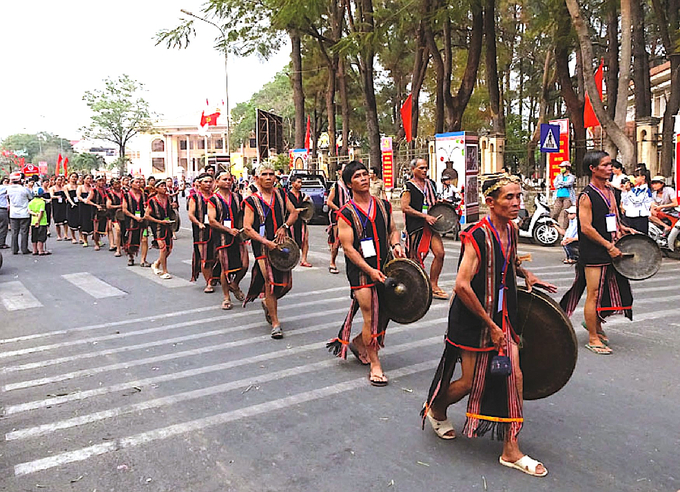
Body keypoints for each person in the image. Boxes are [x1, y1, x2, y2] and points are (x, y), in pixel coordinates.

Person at [421, 174, 556, 477]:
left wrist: (526, 275)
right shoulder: (476, 236)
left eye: (519, 197)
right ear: (490, 201)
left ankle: (511, 449)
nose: (516, 203)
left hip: (502, 316)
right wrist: (489, 325)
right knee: (468, 382)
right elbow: (462, 286)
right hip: (472, 318)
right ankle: (437, 408)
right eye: (509, 198)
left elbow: (509, 261)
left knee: (514, 376)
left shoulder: (512, 229)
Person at [327, 161, 406, 386]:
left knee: (386, 313)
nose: (364, 178)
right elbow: (349, 248)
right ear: (349, 183)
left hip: (385, 267)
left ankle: (359, 343)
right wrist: (369, 270)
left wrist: (397, 244)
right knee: (370, 316)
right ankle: (375, 364)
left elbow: (393, 230)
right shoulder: (346, 213)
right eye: (358, 176)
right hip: (361, 271)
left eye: (365, 174)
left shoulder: (384, 205)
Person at [560, 151, 637, 355]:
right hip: (594, 252)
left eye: (610, 164)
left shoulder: (611, 191)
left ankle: (595, 324)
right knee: (593, 293)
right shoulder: (587, 195)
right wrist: (608, 246)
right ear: (593, 169)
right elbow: (586, 228)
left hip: (611, 248)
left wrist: (623, 228)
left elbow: (612, 217)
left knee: (609, 292)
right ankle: (593, 338)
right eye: (604, 165)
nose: (609, 168)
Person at [243, 164, 299, 339]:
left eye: (271, 174)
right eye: (264, 174)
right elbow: (247, 228)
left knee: (287, 285)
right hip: (262, 247)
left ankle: (268, 302)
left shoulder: (282, 195)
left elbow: (294, 213)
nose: (268, 177)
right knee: (271, 283)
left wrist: (285, 226)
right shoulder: (251, 200)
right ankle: (275, 323)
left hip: (282, 245)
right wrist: (265, 242)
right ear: (257, 178)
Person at [401, 158, 447, 300]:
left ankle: (433, 285)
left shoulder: (430, 184)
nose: (424, 170)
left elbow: (432, 200)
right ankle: (411, 286)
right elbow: (405, 207)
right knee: (414, 258)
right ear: (413, 169)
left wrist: (439, 204)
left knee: (440, 253)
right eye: (421, 168)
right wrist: (423, 216)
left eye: (426, 168)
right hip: (416, 226)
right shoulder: (408, 186)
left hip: (431, 224)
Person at [207, 171, 249, 310]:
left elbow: (244, 215)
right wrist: (228, 230)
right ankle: (226, 297)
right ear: (217, 182)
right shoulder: (213, 200)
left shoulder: (237, 197)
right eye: (224, 179)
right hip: (222, 238)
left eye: (230, 179)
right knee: (226, 269)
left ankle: (235, 284)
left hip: (238, 236)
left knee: (244, 265)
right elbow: (212, 221)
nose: (228, 181)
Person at [188, 173, 218, 292]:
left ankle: (215, 276)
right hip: (201, 231)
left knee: (216, 256)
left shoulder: (215, 197)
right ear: (199, 183)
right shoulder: (195, 197)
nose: (208, 184)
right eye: (205, 182)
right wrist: (198, 223)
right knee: (204, 257)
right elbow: (191, 214)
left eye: (210, 181)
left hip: (215, 230)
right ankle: (208, 282)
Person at [326, 164, 352, 274]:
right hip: (338, 216)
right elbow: (329, 201)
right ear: (339, 172)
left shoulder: (350, 185)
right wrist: (340, 210)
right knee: (337, 240)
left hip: (350, 215)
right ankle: (332, 262)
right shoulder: (336, 185)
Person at [145, 180, 174, 279]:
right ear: (156, 189)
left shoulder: (169, 198)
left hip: (168, 226)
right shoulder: (152, 200)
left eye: (165, 186)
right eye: (162, 186)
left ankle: (156, 263)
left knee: (169, 250)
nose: (164, 188)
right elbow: (147, 216)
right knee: (163, 248)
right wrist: (159, 221)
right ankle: (164, 271)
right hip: (157, 227)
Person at [121, 177, 148, 266]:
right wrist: (134, 217)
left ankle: (143, 260)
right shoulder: (126, 195)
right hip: (131, 221)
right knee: (131, 239)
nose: (138, 184)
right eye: (136, 182)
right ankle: (131, 257)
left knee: (144, 239)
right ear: (131, 184)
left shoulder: (144, 195)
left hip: (143, 221)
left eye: (140, 182)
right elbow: (124, 210)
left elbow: (148, 206)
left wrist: (146, 213)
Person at [287, 175, 312, 268]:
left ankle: (304, 259)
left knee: (305, 240)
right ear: (293, 183)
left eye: (301, 182)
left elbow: (307, 208)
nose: (300, 184)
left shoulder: (302, 195)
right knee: (291, 240)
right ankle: (291, 258)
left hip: (301, 220)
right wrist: (300, 206)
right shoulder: (288, 195)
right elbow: (291, 208)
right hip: (291, 221)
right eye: (298, 182)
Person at [7, 172, 33, 255]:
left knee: (14, 232)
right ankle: (24, 249)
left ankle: (14, 249)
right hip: (24, 213)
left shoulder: (9, 189)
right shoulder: (24, 189)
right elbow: (31, 197)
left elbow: (7, 197)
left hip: (13, 213)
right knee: (24, 232)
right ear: (20, 180)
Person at [620, 169, 653, 235]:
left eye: (637, 176)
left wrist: (629, 191)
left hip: (640, 218)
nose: (635, 179)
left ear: (643, 177)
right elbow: (626, 202)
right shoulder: (635, 189)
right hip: (630, 216)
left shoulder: (646, 190)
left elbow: (637, 201)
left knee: (640, 239)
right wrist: (624, 191)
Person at [84, 175, 109, 250]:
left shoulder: (106, 190)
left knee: (106, 227)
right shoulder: (93, 191)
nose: (101, 182)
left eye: (102, 181)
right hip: (96, 212)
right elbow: (87, 201)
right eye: (99, 181)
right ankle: (96, 244)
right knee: (96, 229)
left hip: (105, 211)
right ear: (96, 182)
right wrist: (96, 205)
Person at [552, 162, 576, 228]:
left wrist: (560, 183)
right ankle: (554, 228)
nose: (561, 169)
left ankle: (565, 230)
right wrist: (562, 184)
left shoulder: (571, 177)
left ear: (567, 168)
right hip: (558, 196)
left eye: (563, 167)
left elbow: (569, 183)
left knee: (566, 214)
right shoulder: (558, 176)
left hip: (568, 197)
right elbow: (555, 184)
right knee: (555, 212)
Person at [106, 178, 125, 257]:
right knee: (118, 230)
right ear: (112, 185)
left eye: (118, 184)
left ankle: (124, 245)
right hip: (114, 215)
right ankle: (118, 249)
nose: (118, 186)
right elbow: (108, 206)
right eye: (115, 184)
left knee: (124, 231)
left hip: (124, 214)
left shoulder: (124, 193)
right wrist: (119, 206)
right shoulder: (110, 194)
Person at [28, 190, 50, 255]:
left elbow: (29, 211)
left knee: (34, 236)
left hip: (33, 221)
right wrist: (38, 220)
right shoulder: (42, 202)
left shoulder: (31, 202)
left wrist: (34, 214)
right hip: (42, 222)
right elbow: (41, 212)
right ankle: (41, 250)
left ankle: (34, 250)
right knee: (41, 236)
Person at [77, 175, 95, 247]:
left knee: (93, 222)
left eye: (90, 178)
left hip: (91, 206)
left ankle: (96, 239)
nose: (89, 180)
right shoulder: (80, 187)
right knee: (84, 222)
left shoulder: (92, 188)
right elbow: (78, 196)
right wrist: (83, 200)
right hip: (83, 206)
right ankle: (85, 240)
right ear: (84, 179)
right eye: (87, 178)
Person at [50, 176, 70, 242]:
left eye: (60, 180)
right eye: (58, 180)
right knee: (57, 221)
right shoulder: (52, 188)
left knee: (65, 220)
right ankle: (59, 235)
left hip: (63, 204)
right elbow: (51, 196)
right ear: (55, 181)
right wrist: (57, 197)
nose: (59, 181)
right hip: (56, 205)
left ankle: (66, 234)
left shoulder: (64, 188)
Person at [64, 173, 80, 244]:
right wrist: (72, 203)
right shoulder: (66, 186)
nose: (74, 178)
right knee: (71, 220)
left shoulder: (79, 186)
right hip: (70, 205)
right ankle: (73, 237)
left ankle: (81, 237)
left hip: (79, 204)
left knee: (80, 220)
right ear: (69, 178)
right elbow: (67, 196)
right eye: (72, 177)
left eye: (75, 177)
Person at [0, 177, 9, 249]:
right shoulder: (5, 188)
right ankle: (1, 243)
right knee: (3, 226)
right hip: (2, 208)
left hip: (3, 208)